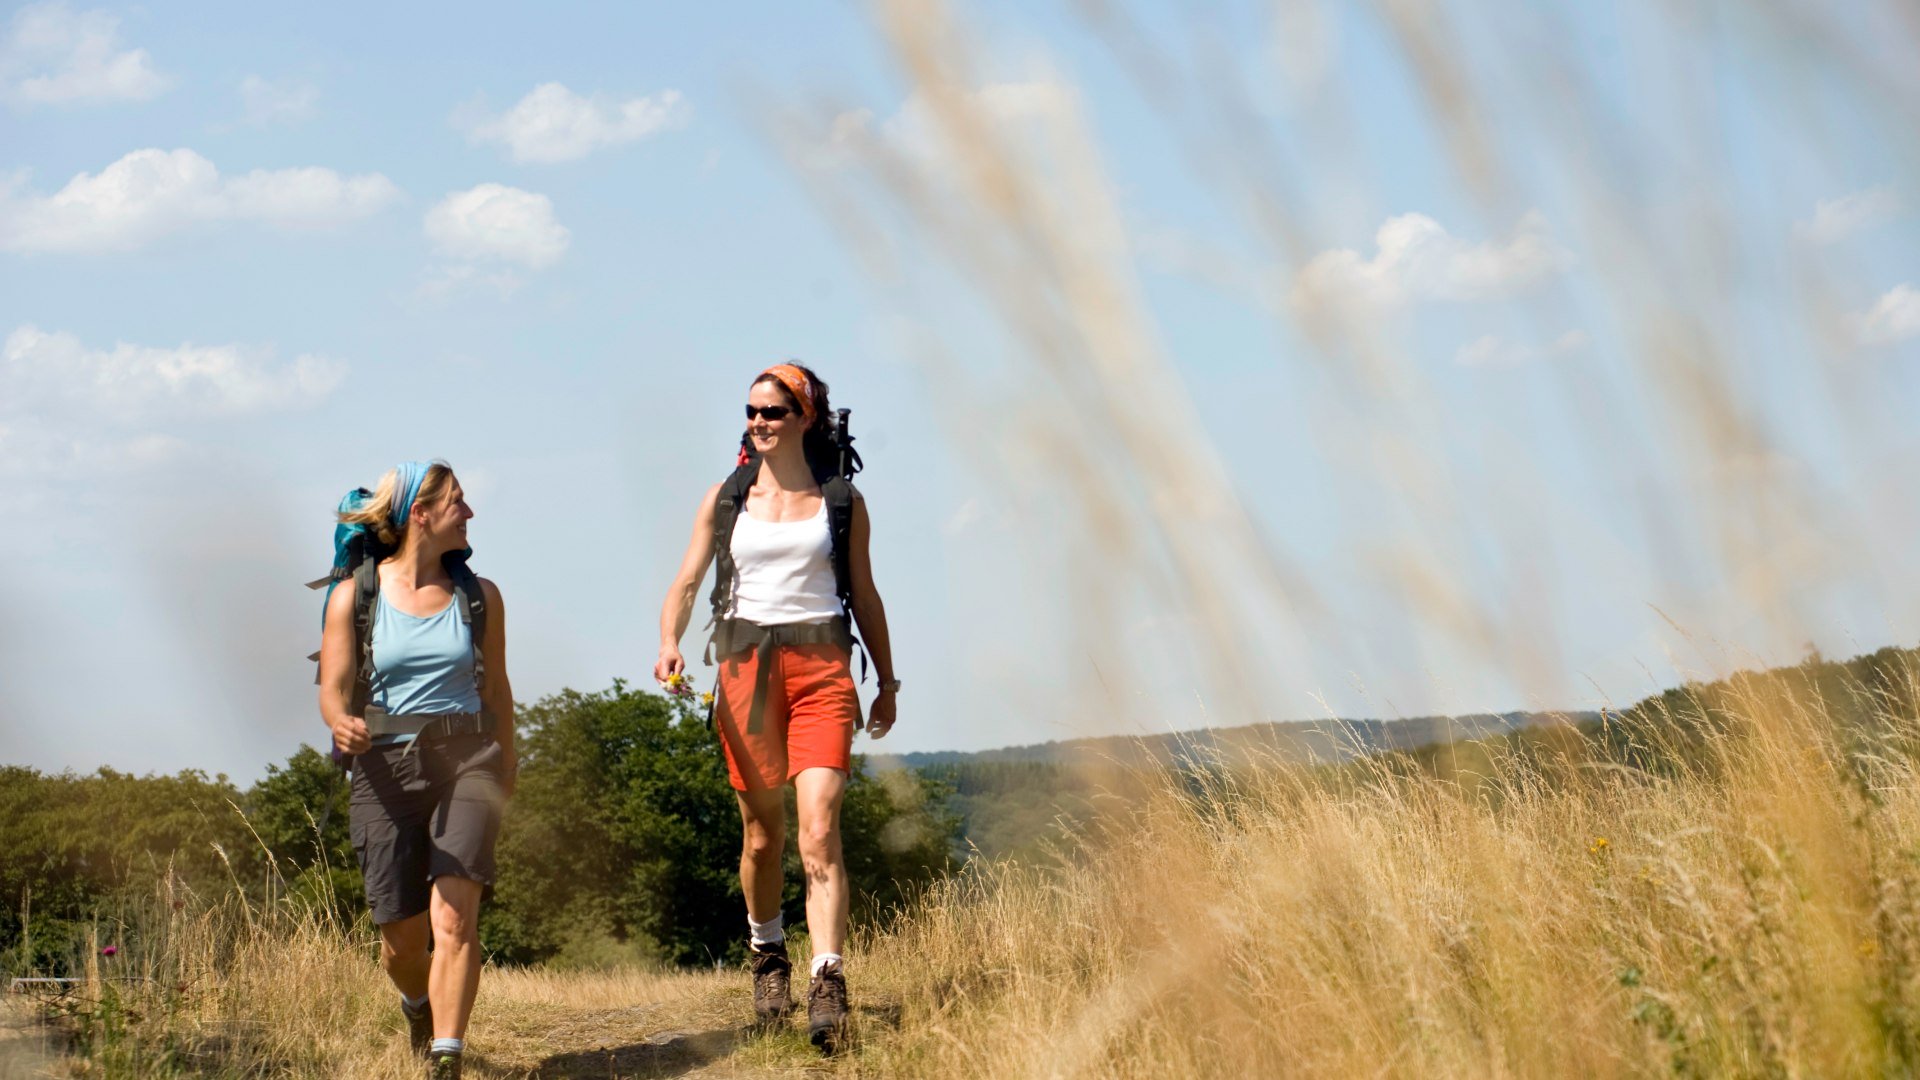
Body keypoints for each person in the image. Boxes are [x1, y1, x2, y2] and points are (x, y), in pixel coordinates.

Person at [655, 363, 899, 1052]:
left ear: (805, 418)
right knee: (763, 836)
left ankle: (828, 980)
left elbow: (867, 595)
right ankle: (768, 953)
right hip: (745, 673)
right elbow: (686, 578)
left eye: (774, 412)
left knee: (819, 830)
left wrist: (886, 680)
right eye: (752, 412)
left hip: (822, 669)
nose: (759, 423)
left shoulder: (840, 501)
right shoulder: (725, 499)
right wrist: (669, 642)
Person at [316, 461, 516, 1080]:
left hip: (469, 762)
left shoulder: (480, 596)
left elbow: (500, 690)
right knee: (401, 942)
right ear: (419, 515)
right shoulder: (357, 596)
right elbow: (333, 685)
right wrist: (338, 721)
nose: (470, 512)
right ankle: (417, 1004)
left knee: (454, 916)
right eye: (458, 501)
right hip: (383, 768)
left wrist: (508, 764)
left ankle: (446, 1058)